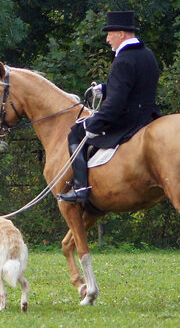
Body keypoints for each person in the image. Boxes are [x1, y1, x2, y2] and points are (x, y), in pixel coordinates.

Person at [57, 10, 161, 204]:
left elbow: (116, 105)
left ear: (121, 34)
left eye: (109, 34)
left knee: (76, 132)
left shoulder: (123, 60)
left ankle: (81, 188)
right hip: (149, 114)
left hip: (129, 119)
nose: (107, 39)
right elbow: (135, 87)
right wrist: (104, 90)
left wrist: (94, 124)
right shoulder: (147, 54)